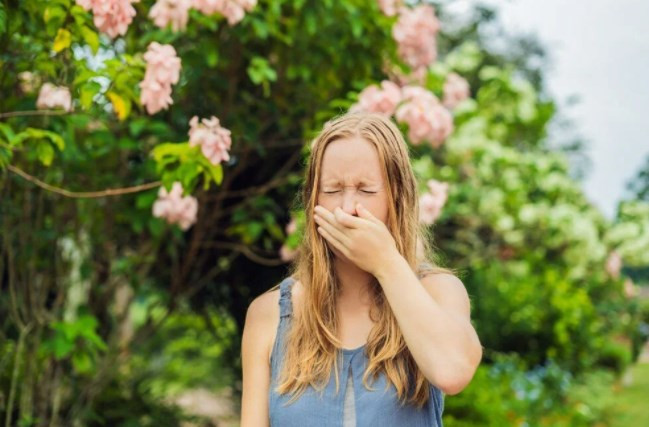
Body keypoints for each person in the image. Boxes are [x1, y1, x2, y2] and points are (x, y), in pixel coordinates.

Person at [240, 112, 482, 426]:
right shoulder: (268, 315)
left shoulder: (437, 291)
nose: (346, 208)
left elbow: (453, 371)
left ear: (397, 197)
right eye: (331, 190)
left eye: (366, 191)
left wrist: (386, 262)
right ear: (312, 198)